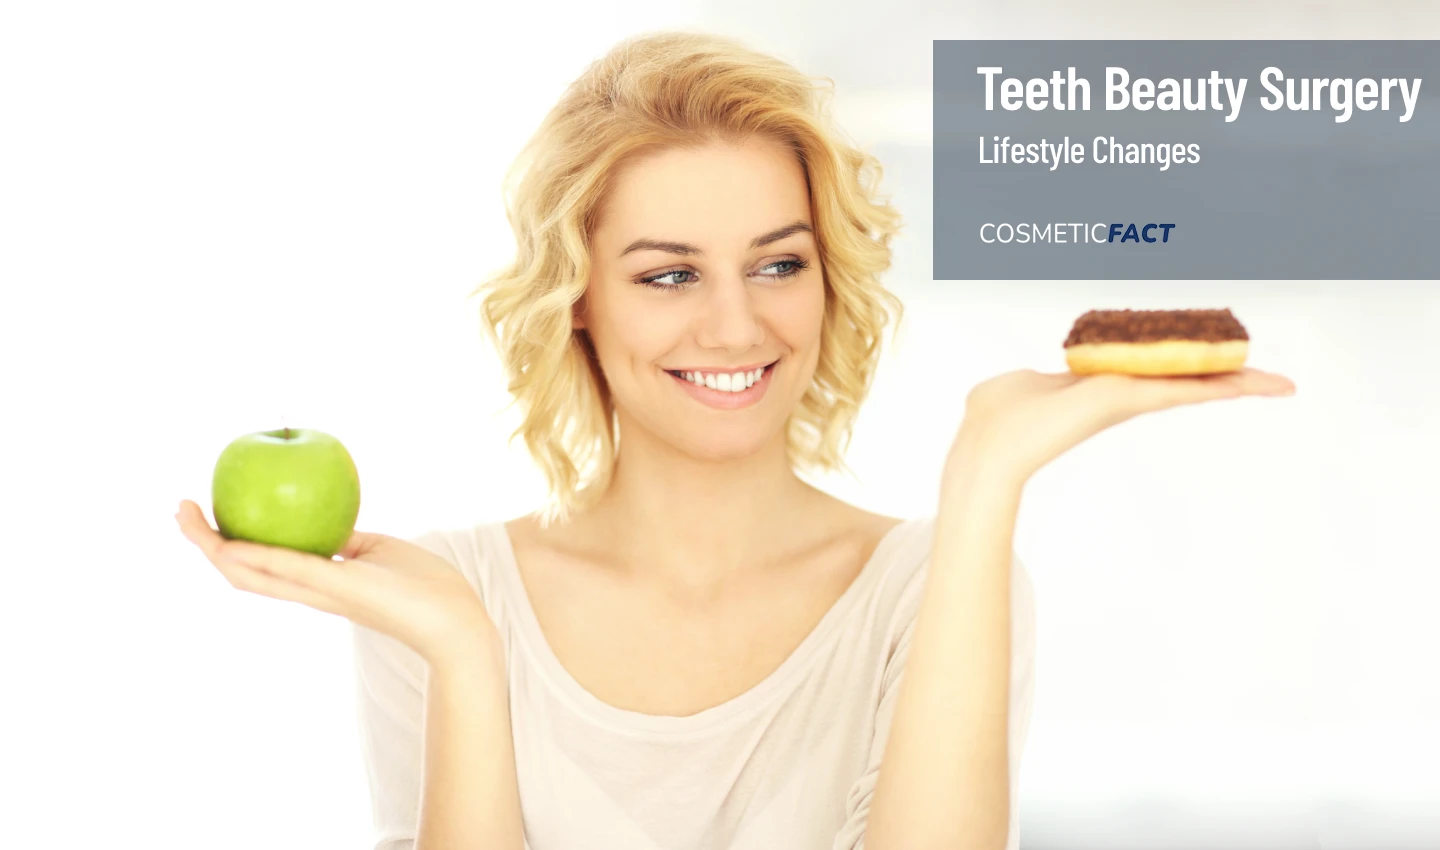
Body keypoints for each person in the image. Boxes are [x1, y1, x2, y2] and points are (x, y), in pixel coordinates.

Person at [174, 29, 1296, 850]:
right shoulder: (444, 596)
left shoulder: (934, 581)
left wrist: (986, 473)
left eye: (777, 263)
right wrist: (467, 657)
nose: (736, 325)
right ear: (578, 298)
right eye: (669, 274)